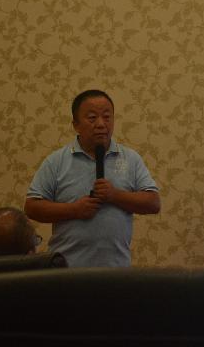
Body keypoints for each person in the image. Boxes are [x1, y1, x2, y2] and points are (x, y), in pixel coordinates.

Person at [24, 89, 161, 267]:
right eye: (92, 118)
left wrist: (114, 195)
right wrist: (74, 210)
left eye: (107, 117)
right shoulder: (56, 161)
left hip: (116, 271)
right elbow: (32, 207)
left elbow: (153, 203)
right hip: (65, 272)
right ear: (76, 125)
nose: (101, 124)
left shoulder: (131, 159)